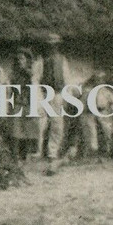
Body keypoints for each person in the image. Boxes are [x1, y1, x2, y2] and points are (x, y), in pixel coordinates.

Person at [40, 33, 69, 175]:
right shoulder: (42, 61)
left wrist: (65, 95)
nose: (53, 48)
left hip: (57, 94)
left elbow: (66, 78)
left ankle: (52, 155)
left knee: (57, 124)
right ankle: (39, 153)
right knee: (42, 123)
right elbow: (37, 78)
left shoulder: (62, 60)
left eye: (55, 45)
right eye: (50, 46)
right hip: (45, 93)